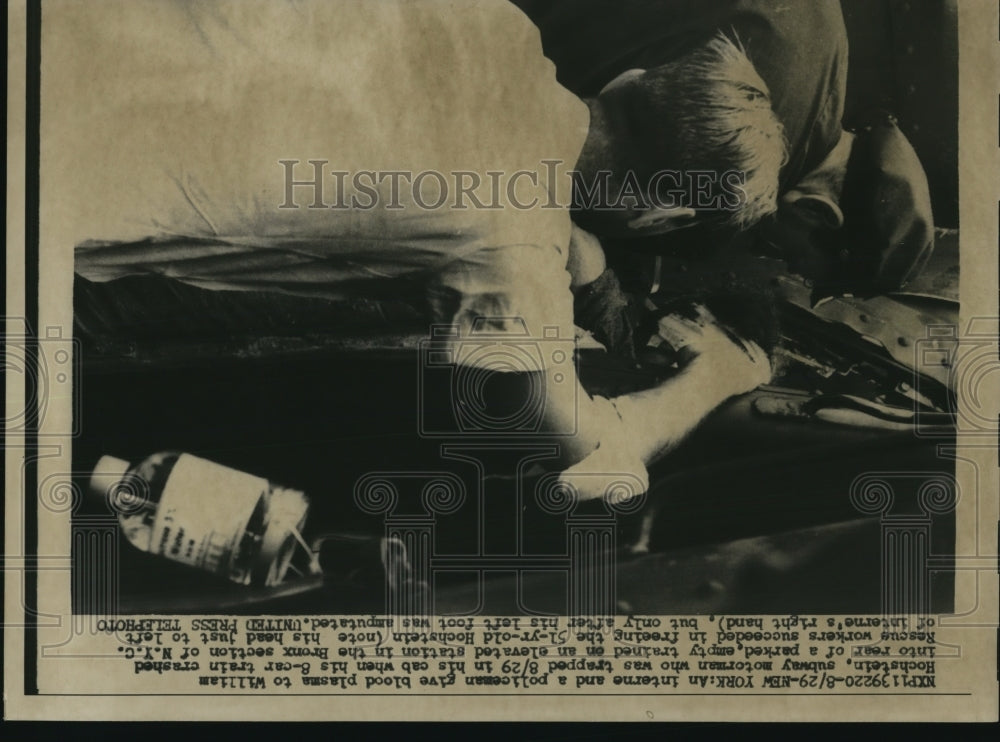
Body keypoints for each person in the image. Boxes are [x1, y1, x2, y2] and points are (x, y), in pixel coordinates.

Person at [57, 0, 782, 500]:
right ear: (661, 215)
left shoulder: (498, 23)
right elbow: (591, 466)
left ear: (630, 82)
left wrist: (575, 249)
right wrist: (717, 374)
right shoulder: (508, 242)